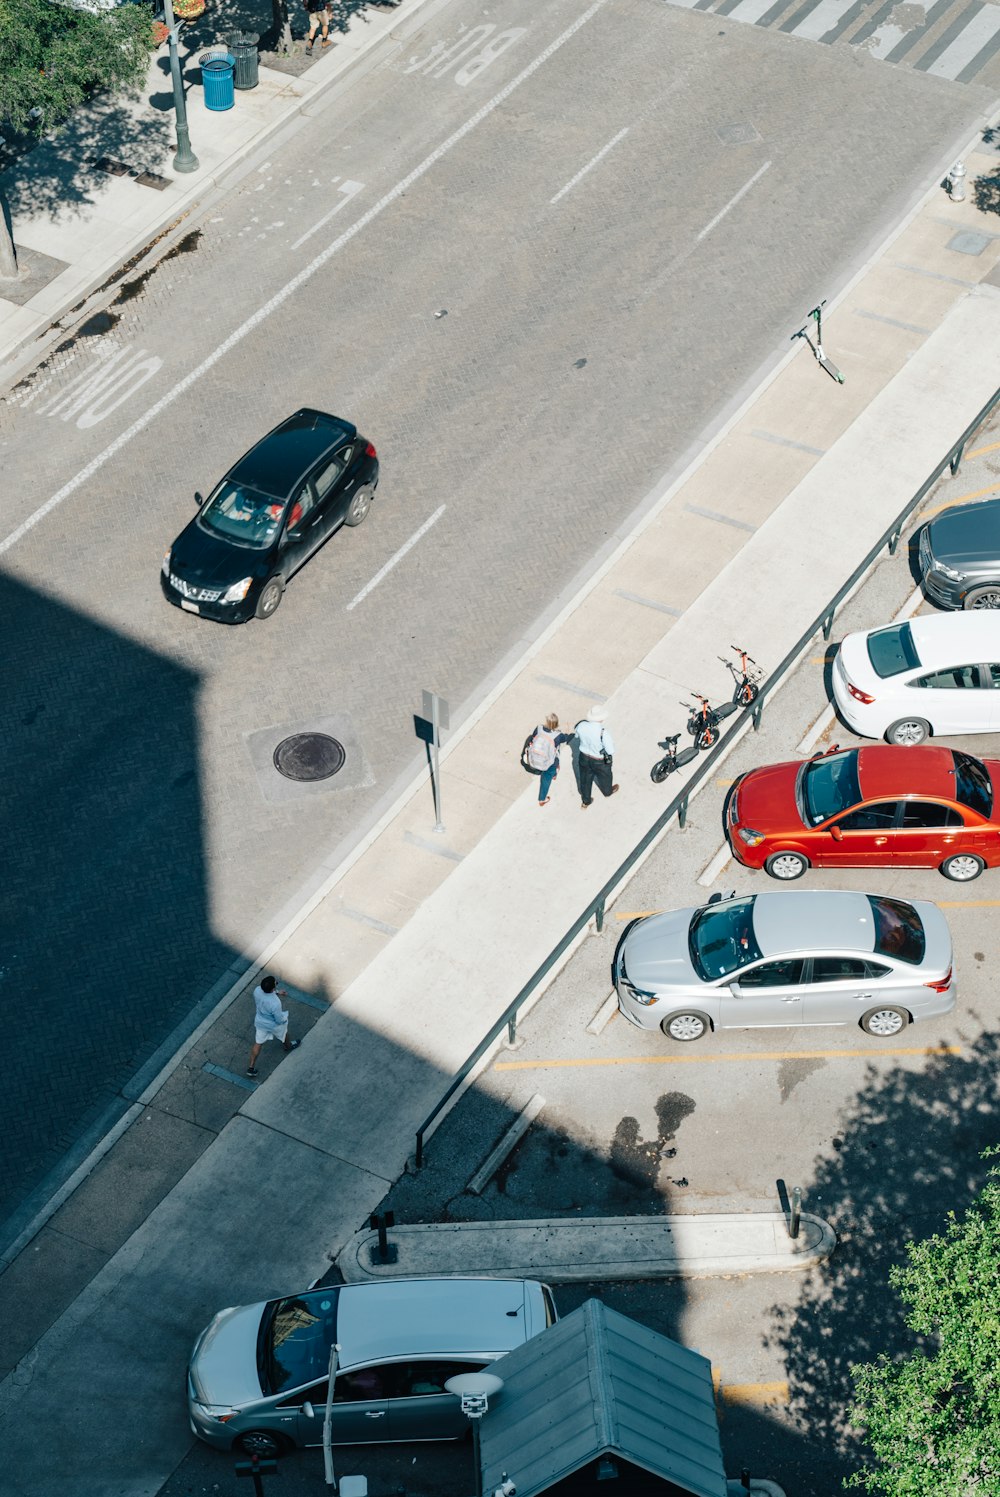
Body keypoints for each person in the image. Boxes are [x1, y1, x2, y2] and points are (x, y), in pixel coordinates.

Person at [247, 974, 300, 1077]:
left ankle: (251, 1067)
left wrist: (277, 992)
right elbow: (278, 1019)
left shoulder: (257, 990)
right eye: (276, 983)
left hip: (260, 1022)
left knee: (258, 1043)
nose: (276, 983)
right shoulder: (275, 1003)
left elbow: (267, 993)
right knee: (284, 1031)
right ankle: (288, 1046)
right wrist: (284, 1021)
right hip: (272, 1024)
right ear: (272, 988)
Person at [575, 706, 619, 809]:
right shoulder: (603, 732)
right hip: (599, 760)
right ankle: (607, 791)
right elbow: (610, 751)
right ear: (602, 718)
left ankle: (586, 801)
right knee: (605, 776)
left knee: (585, 779)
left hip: (584, 757)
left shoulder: (581, 725)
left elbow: (576, 736)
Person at [527, 713, 573, 806]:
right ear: (556, 724)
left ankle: (553, 774)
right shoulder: (558, 735)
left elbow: (533, 737)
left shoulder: (538, 728)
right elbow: (567, 738)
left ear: (546, 721)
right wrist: (568, 730)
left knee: (554, 754)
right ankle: (542, 799)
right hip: (547, 763)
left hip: (533, 760)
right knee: (548, 774)